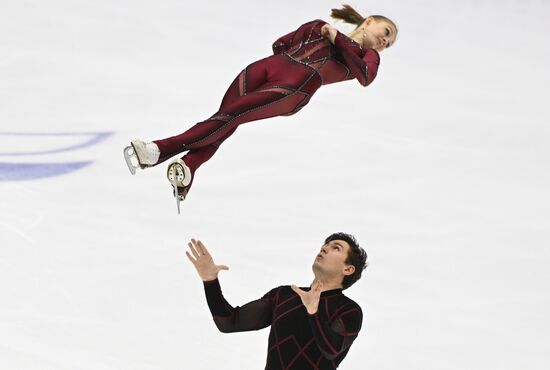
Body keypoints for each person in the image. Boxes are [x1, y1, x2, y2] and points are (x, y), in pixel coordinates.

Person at [124, 4, 398, 201]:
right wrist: (300, 51)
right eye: (385, 32)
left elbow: (365, 76)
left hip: (298, 85)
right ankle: (189, 169)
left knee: (231, 116)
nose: (385, 41)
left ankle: (158, 151)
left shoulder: (366, 56)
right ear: (369, 20)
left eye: (389, 42)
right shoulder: (318, 26)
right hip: (268, 67)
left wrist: (336, 39)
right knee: (225, 117)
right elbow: (280, 44)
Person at [185, 232, 368, 370]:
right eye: (325, 245)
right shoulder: (285, 295)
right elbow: (229, 322)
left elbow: (331, 349)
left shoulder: (349, 310)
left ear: (348, 269)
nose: (325, 248)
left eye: (336, 248)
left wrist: (313, 312)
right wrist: (210, 281)